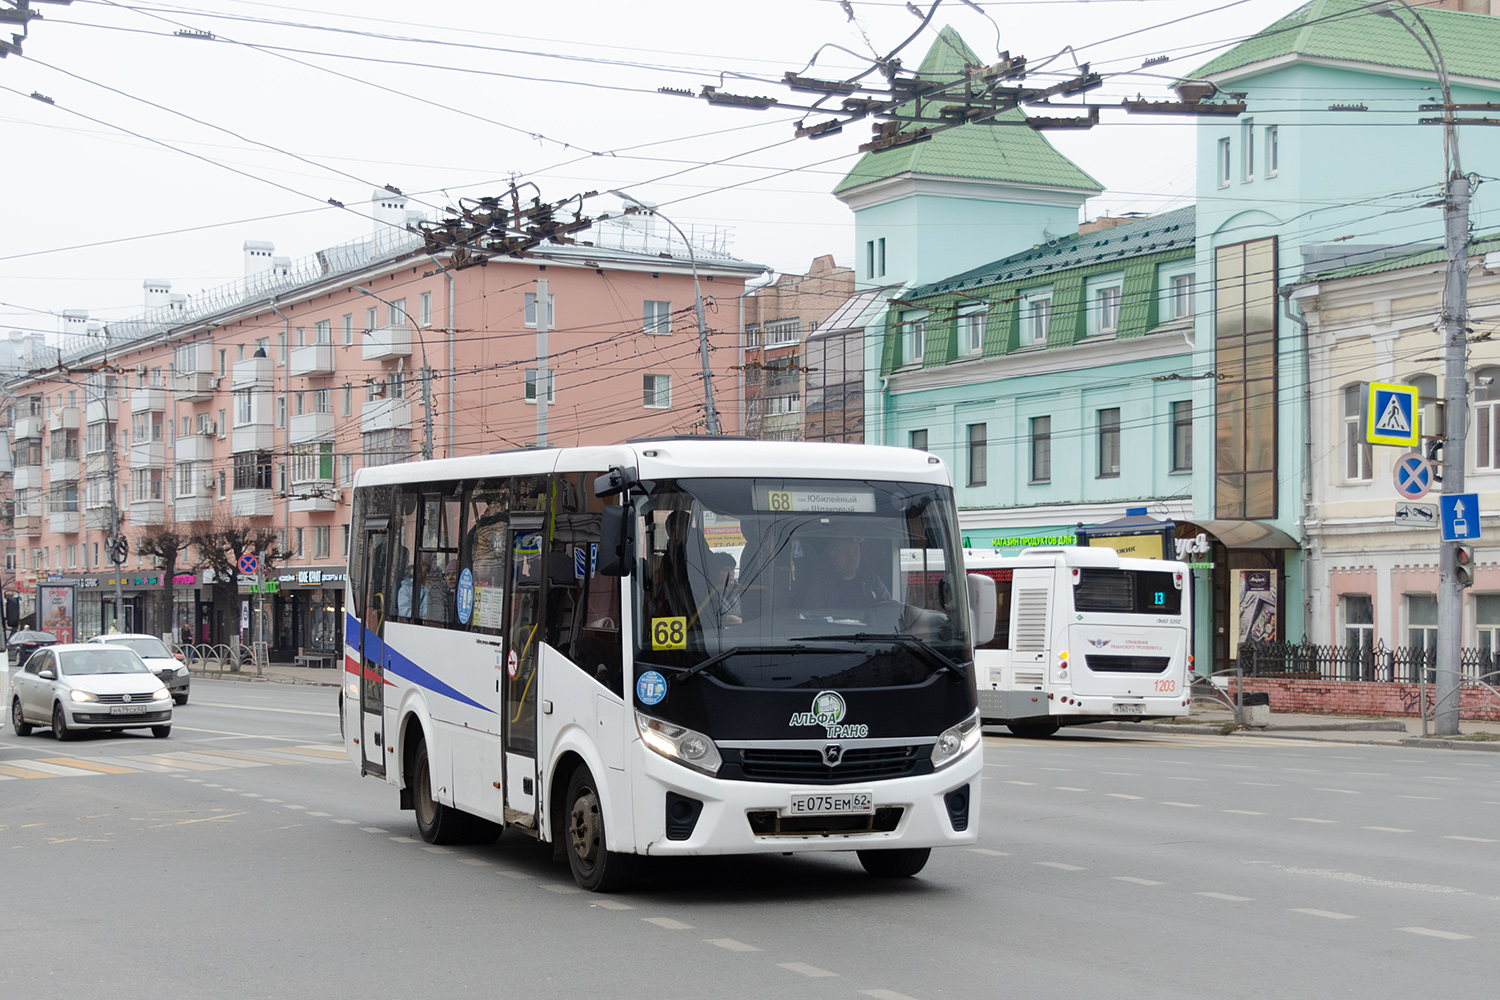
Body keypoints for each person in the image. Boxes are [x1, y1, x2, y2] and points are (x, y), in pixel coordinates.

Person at [817, 536, 890, 608]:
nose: (852, 557)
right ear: (834, 555)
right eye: (846, 552)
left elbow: (888, 611)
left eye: (855, 551)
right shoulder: (822, 584)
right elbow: (812, 615)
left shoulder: (873, 582)